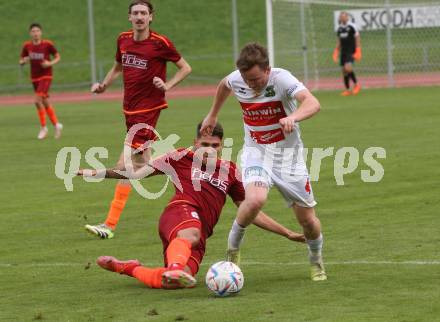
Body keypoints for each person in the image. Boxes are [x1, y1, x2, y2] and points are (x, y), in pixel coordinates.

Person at [78, 122, 305, 289]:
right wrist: (96, 173)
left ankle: (126, 267)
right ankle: (176, 266)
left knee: (174, 282)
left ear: (221, 145)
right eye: (204, 144)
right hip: (180, 215)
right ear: (195, 142)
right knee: (190, 235)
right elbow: (134, 173)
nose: (208, 149)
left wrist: (287, 233)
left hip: (198, 235)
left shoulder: (232, 171)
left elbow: (250, 211)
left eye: (214, 145)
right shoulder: (179, 157)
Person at [201, 43, 327, 281]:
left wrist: (293, 117)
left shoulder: (282, 79)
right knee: (256, 199)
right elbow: (224, 86)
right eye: (247, 80)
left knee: (308, 221)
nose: (251, 85)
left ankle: (315, 259)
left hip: (289, 160)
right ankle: (232, 251)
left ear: (268, 70)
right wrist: (213, 114)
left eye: (257, 80)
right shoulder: (237, 79)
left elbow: (313, 103)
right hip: (256, 153)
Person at [85, 0, 191, 239]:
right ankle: (181, 166)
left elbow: (185, 67)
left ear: (151, 17)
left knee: (125, 167)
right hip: (129, 110)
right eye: (135, 13)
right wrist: (103, 86)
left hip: (148, 109)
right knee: (144, 164)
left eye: (144, 13)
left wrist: (168, 85)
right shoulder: (123, 39)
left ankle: (109, 225)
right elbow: (117, 67)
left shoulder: (159, 43)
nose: (140, 16)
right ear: (129, 17)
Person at [19, 23, 63, 139]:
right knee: (44, 100)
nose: (35, 33)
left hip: (46, 76)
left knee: (37, 100)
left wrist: (49, 63)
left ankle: (43, 127)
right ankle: (57, 125)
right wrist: (24, 61)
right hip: (34, 77)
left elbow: (58, 57)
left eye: (37, 31)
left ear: (41, 32)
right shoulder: (27, 46)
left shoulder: (47, 44)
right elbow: (21, 60)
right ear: (30, 33)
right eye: (33, 31)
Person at [332, 11, 362, 96]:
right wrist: (336, 51)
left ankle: (356, 85)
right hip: (343, 51)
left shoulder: (352, 26)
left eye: (344, 16)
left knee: (348, 68)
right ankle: (347, 89)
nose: (343, 18)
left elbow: (357, 37)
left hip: (351, 51)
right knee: (344, 71)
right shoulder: (339, 28)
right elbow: (339, 41)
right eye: (341, 17)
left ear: (347, 18)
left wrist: (358, 49)